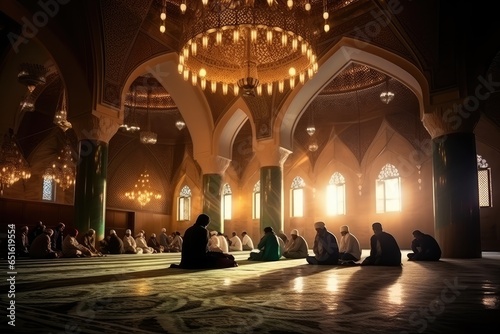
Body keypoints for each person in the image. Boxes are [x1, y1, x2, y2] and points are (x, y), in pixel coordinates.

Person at [172, 213, 237, 269]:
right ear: (206, 223)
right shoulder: (203, 231)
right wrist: (223, 255)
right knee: (230, 262)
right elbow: (205, 253)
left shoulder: (188, 230)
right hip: (198, 263)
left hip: (185, 263)